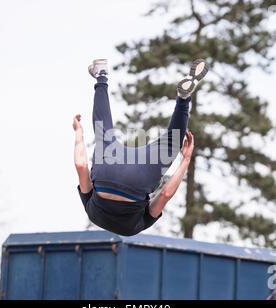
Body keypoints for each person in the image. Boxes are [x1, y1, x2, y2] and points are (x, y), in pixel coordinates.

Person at [73, 58, 209, 236]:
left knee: (172, 142)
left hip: (140, 179)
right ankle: (101, 75)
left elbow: (165, 194)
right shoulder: (93, 215)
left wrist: (186, 159)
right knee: (102, 130)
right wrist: (79, 133)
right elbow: (81, 166)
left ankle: (183, 99)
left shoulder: (135, 229)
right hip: (109, 169)